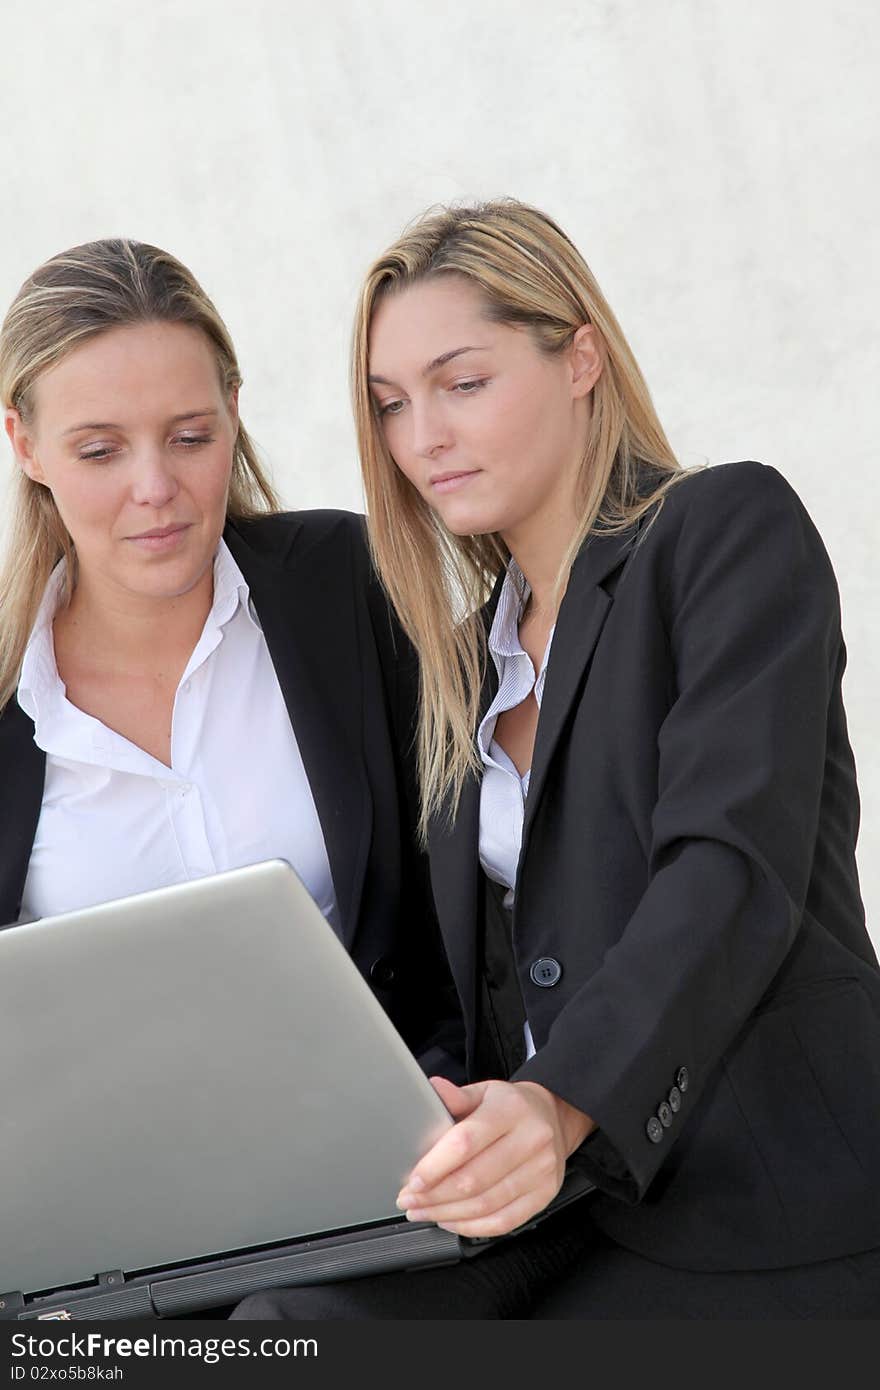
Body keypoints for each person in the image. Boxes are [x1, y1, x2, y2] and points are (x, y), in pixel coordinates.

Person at [234, 199, 880, 1319]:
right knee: (274, 1330)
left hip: (764, 1193)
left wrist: (561, 1098)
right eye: (390, 404)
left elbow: (727, 870)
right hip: (556, 1199)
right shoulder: (461, 667)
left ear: (579, 356)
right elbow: (467, 980)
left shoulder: (724, 530)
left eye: (462, 382)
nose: (421, 436)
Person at [0, 238, 463, 1102]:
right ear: (25, 444)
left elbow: (452, 902)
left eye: (189, 437)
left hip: (389, 1160)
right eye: (99, 451)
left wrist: (445, 1084)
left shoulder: (345, 583)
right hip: (112, 1195)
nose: (155, 487)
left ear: (233, 412)